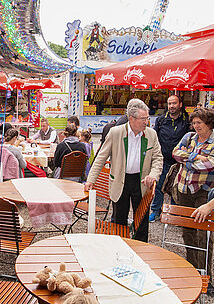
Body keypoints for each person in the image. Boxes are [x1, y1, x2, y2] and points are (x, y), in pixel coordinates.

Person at [85, 99, 163, 242]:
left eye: (147, 118)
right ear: (131, 119)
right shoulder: (115, 133)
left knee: (142, 220)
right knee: (119, 218)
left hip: (142, 181)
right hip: (120, 180)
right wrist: (91, 179)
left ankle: (140, 249)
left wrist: (153, 175)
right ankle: (119, 248)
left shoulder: (151, 134)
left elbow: (158, 159)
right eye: (143, 119)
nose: (147, 122)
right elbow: (101, 158)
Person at [172, 108, 214, 290]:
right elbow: (174, 153)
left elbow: (210, 164)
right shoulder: (189, 137)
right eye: (194, 123)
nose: (196, 126)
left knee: (204, 235)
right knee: (187, 232)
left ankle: (205, 276)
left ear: (209, 124)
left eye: (199, 123)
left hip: (203, 192)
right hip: (184, 189)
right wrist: (196, 156)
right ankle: (192, 271)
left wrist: (186, 157)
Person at [149, 94, 190, 222]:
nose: (171, 106)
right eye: (170, 103)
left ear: (180, 104)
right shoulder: (161, 120)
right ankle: (156, 211)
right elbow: (154, 137)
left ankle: (174, 213)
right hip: (163, 160)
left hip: (179, 163)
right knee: (160, 187)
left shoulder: (186, 121)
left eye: (174, 103)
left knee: (175, 188)